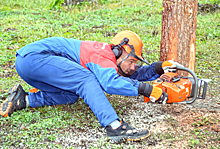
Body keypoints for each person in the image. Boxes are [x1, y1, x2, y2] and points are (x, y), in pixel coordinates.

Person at [0, 30, 182, 142]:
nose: (134, 66)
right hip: (34, 58)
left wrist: (158, 68)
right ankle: (115, 127)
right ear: (121, 50)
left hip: (29, 64)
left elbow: (127, 73)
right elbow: (110, 83)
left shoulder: (111, 57)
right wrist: (146, 89)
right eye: (133, 60)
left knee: (71, 94)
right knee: (86, 80)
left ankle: (23, 99)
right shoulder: (102, 55)